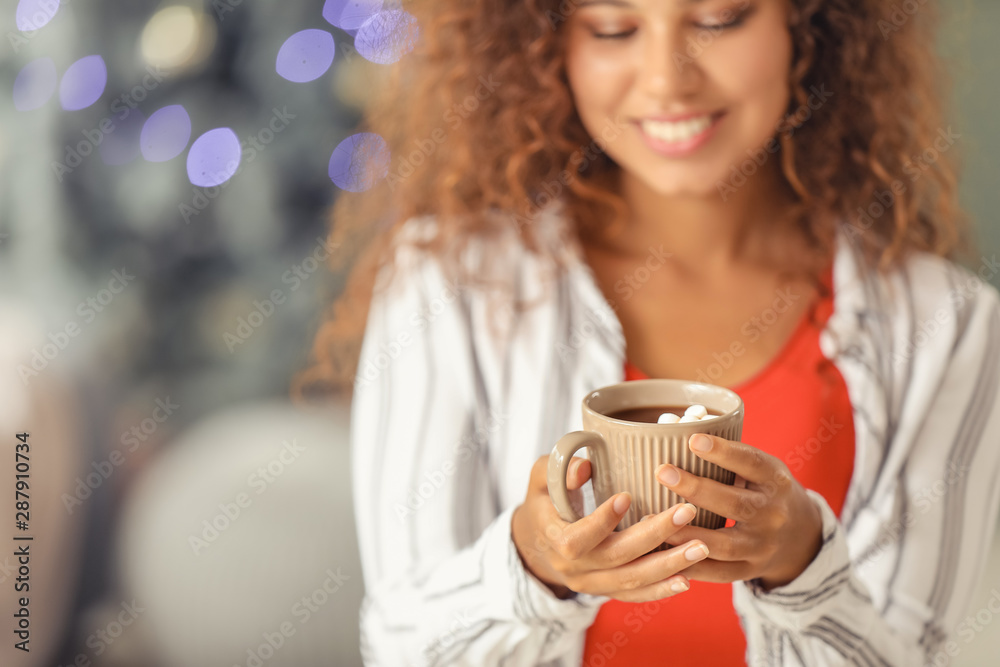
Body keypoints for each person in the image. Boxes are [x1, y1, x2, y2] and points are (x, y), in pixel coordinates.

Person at [300, 0, 1000, 664]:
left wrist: (801, 563)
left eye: (719, 18)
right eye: (612, 28)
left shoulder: (947, 325)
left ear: (809, 22)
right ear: (549, 43)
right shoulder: (447, 288)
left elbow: (910, 650)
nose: (668, 79)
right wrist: (532, 569)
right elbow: (402, 646)